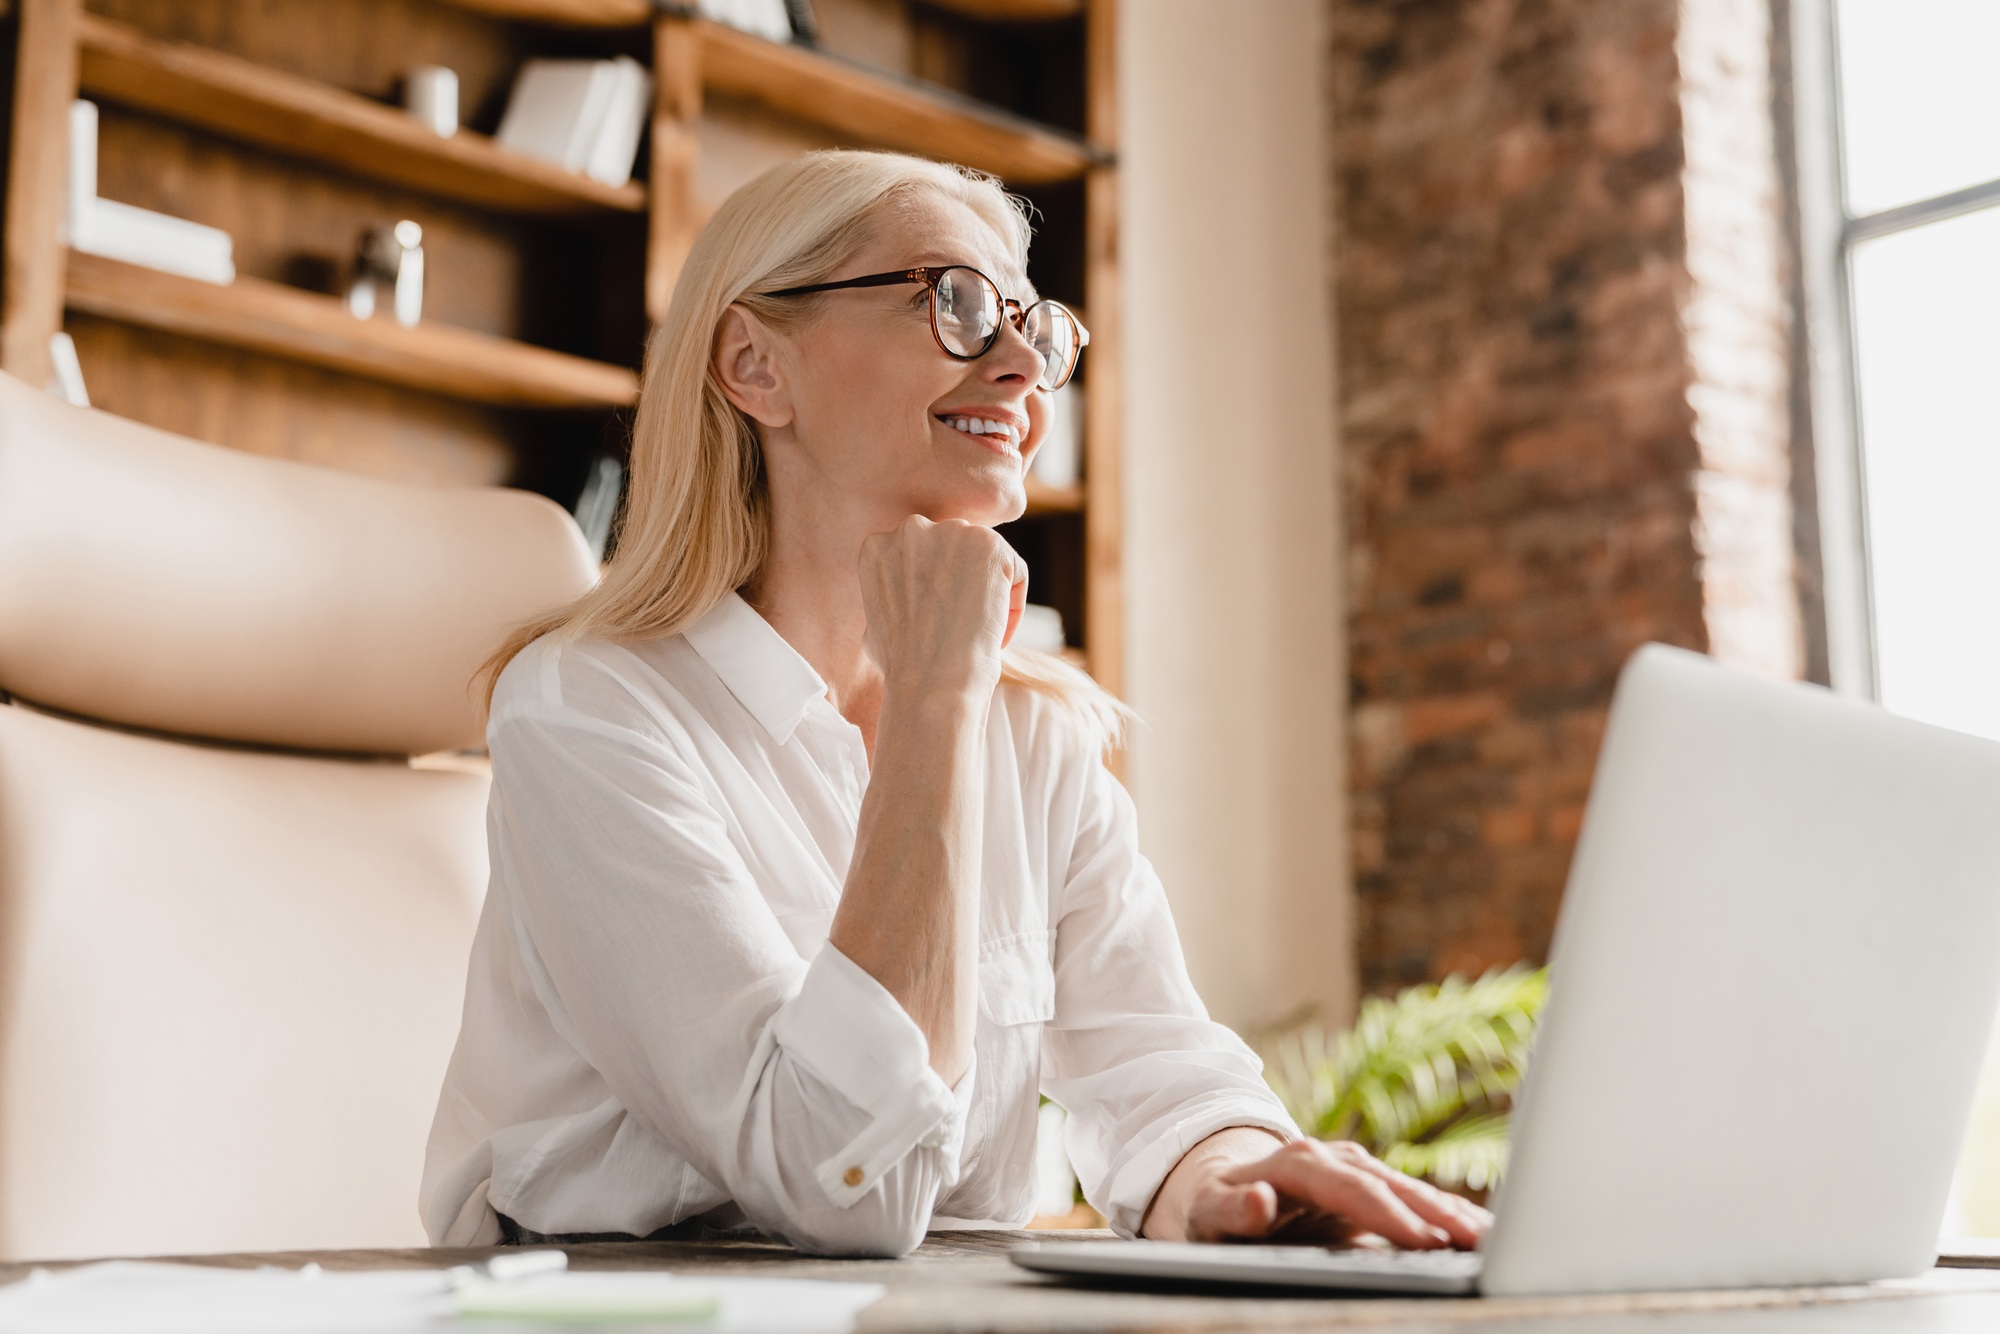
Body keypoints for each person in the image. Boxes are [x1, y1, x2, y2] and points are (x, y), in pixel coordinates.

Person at [419, 149, 1490, 1258]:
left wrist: (1228, 1171)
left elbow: (1156, 1067)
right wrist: (932, 703)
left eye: (1035, 324)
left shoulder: (1038, 730)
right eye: (958, 303)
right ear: (754, 365)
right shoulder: (590, 712)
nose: (1024, 363)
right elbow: (839, 1177)